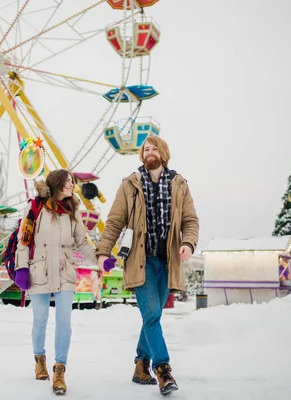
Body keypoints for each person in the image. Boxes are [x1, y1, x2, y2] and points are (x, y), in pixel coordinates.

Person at [96, 136, 199, 396]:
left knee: (153, 315)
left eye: (154, 148)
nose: (149, 152)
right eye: (145, 149)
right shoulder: (130, 184)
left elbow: (190, 220)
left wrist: (188, 243)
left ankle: (140, 366)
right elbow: (114, 221)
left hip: (168, 261)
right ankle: (162, 369)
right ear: (142, 156)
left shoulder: (179, 184)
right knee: (152, 313)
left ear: (163, 153)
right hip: (141, 261)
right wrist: (103, 252)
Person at [14, 169, 103, 395]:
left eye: (72, 182)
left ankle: (60, 370)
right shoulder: (36, 208)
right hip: (39, 270)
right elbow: (23, 240)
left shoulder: (73, 211)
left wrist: (101, 259)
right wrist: (21, 268)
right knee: (40, 319)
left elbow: (82, 242)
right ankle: (39, 359)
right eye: (67, 182)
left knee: (64, 322)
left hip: (65, 270)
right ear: (56, 185)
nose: (71, 185)